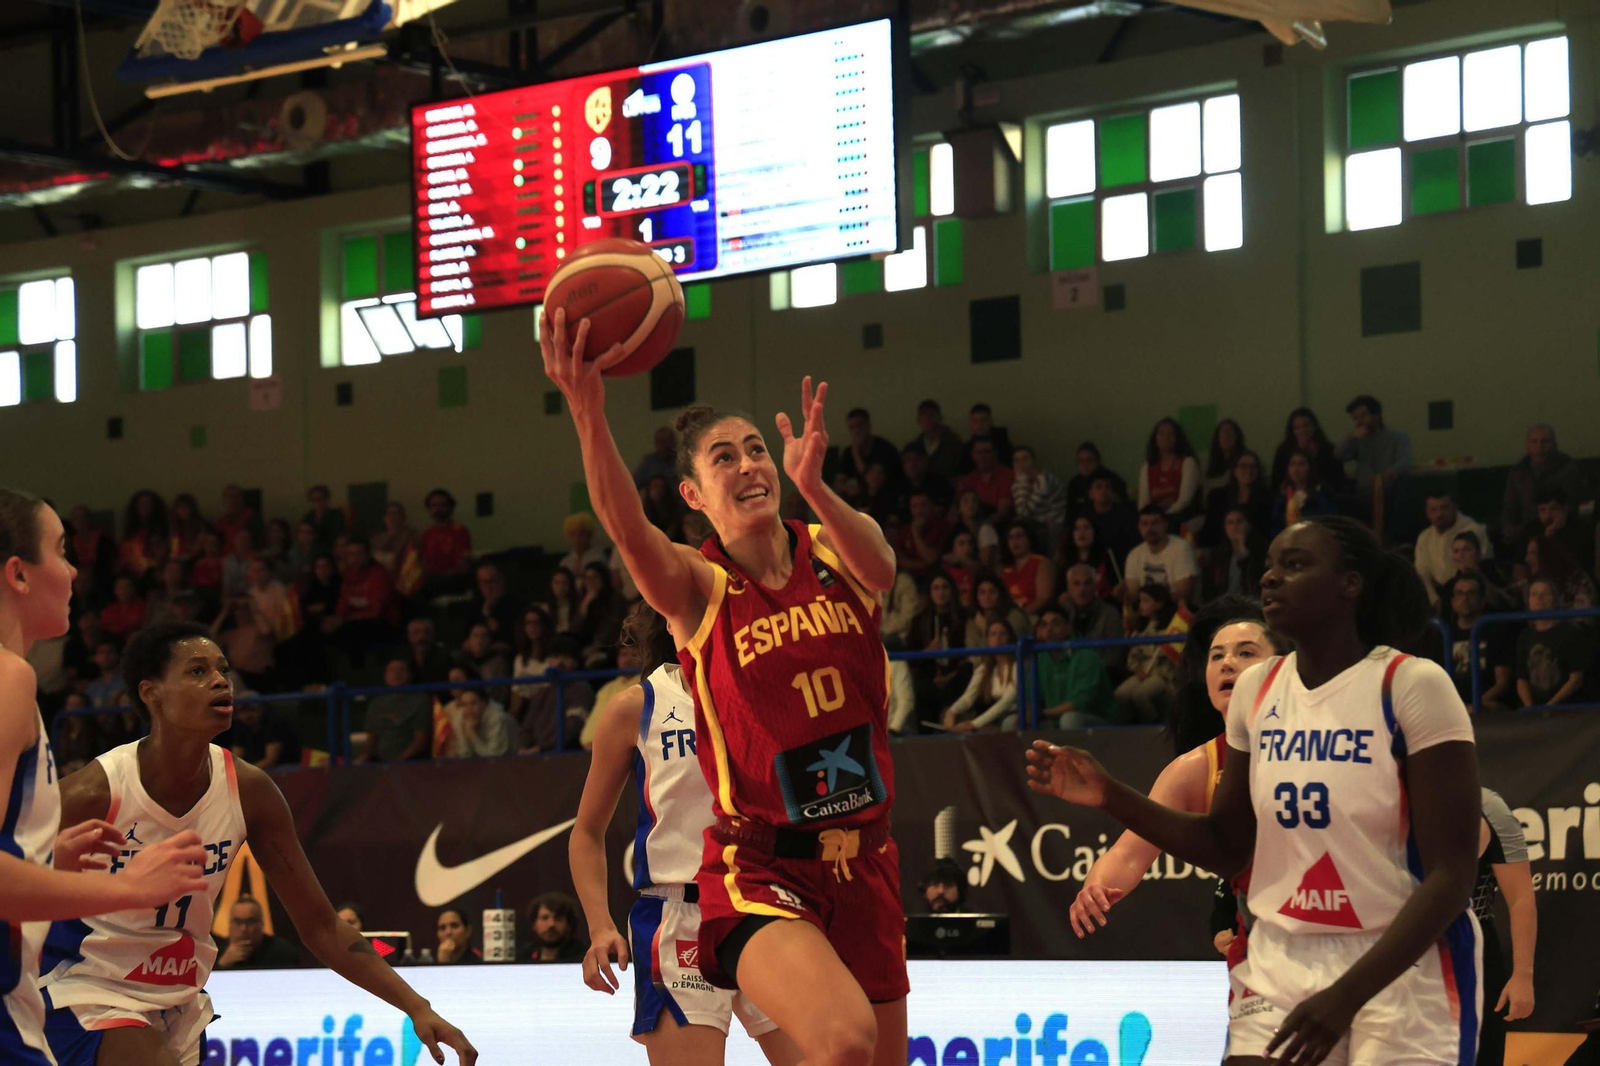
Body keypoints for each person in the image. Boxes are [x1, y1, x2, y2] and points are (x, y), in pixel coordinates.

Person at [542, 308, 908, 1066]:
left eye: (756, 451)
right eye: (724, 459)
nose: (748, 465)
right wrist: (586, 411)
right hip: (759, 870)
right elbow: (626, 529)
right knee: (843, 1041)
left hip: (864, 858)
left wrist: (815, 486)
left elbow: (884, 572)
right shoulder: (700, 587)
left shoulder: (832, 547)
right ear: (694, 495)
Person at [1027, 515, 1482, 1066]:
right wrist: (1108, 794)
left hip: (1404, 960)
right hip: (1281, 952)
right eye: (1268, 565)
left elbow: (1452, 877)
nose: (1269, 579)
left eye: (1293, 566)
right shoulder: (1257, 691)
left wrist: (1346, 995)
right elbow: (1226, 845)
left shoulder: (1411, 685)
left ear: (1350, 584)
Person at [40, 621, 476, 1066]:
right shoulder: (93, 791)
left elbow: (322, 926)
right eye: (196, 671)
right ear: (152, 693)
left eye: (222, 670)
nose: (219, 681)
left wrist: (416, 1006)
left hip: (179, 1000)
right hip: (88, 987)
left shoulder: (250, 792)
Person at [1, 490, 215, 1066]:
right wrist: (129, 888)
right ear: (18, 573)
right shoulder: (8, 680)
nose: (73, 571)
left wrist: (45, 868)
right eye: (61, 551)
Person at [570, 602, 799, 1065]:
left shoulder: (765, 692)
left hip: (762, 905)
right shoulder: (638, 705)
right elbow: (586, 832)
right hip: (679, 915)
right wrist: (599, 926)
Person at [1069, 600, 1285, 937]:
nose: (1228, 663)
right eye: (1217, 656)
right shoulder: (1196, 767)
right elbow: (1129, 853)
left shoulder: (1320, 739)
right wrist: (1095, 888)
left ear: (1283, 667)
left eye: (1245, 653)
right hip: (1257, 928)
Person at [1475, 788, 1536, 1066]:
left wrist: (1523, 975)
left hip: (1473, 946)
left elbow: (1521, 897)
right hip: (1401, 942)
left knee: (1481, 1052)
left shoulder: (1488, 806)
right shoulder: (1386, 798)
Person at [1501, 424, 1593, 552]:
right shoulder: (1518, 472)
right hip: (1527, 532)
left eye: (1544, 441)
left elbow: (1577, 502)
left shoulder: (1569, 469)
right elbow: (1510, 507)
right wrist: (1509, 528)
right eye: (1534, 441)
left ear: (1554, 444)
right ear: (1527, 445)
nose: (1539, 446)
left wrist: (1563, 522)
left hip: (1563, 531)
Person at [1114, 584, 1187, 724]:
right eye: (1140, 601)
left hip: (1163, 676)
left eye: (1146, 601)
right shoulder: (1142, 630)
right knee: (1120, 694)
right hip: (1143, 672)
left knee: (1140, 695)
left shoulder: (1173, 629)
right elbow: (1133, 657)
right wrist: (1138, 670)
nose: (1141, 605)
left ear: (1159, 604)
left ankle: (1151, 725)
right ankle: (1128, 725)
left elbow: (1176, 660)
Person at [1034, 606, 1115, 727]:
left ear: (1068, 628)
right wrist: (1031, 714)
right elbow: (1029, 698)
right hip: (1053, 718)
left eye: (1055, 624)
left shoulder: (1087, 656)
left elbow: (1079, 704)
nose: (1049, 629)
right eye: (1044, 625)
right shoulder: (1039, 659)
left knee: (1070, 719)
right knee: (1012, 722)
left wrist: (1043, 713)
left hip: (1096, 721)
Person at [1446, 573, 1516, 712]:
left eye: (1471, 593)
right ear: (1453, 601)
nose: (1465, 598)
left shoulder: (1496, 631)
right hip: (1454, 705)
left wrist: (1477, 704)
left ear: (1482, 600)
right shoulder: (1444, 633)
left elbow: (1502, 683)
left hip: (1488, 703)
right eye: (1459, 593)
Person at [515, 634, 593, 753]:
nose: (559, 662)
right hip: (536, 755)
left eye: (565, 657)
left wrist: (541, 748)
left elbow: (572, 727)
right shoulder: (544, 691)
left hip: (563, 756)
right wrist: (524, 747)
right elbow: (527, 725)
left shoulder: (581, 689)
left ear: (575, 661)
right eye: (555, 657)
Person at [1516, 578, 1586, 707]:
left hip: (1569, 707)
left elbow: (1576, 679)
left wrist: (1550, 706)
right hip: (1535, 708)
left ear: (1555, 599)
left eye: (1545, 594)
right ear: (1529, 601)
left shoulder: (1570, 633)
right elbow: (1522, 680)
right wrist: (1530, 708)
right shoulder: (1525, 636)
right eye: (1534, 594)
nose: (1539, 598)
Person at [1415, 493, 1491, 607]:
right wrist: (1434, 600)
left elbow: (1482, 566)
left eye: (1444, 507)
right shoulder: (1424, 537)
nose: (1439, 514)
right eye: (1433, 509)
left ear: (1454, 507)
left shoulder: (1474, 529)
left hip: (1473, 594)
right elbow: (1422, 573)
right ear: (1427, 512)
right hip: (1439, 597)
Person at [942, 618, 1019, 732]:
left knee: (1007, 724)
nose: (998, 638)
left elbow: (1006, 702)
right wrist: (952, 712)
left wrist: (974, 724)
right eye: (993, 634)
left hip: (1016, 714)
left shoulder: (1017, 666)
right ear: (988, 640)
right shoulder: (985, 668)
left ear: (1010, 638)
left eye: (1002, 634)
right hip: (995, 716)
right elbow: (968, 698)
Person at [1057, 563, 1126, 678]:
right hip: (1066, 674)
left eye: (1087, 583)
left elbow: (1116, 657)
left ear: (1095, 587)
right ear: (1068, 587)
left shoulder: (1109, 614)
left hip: (1101, 675)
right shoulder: (1061, 614)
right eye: (1076, 584)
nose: (1082, 589)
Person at [358, 658, 432, 763]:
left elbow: (420, 741)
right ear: (385, 675)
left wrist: (399, 761)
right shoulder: (377, 702)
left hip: (411, 763)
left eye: (401, 670)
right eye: (391, 670)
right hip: (380, 764)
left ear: (410, 674)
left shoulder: (421, 700)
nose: (396, 674)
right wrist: (360, 760)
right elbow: (372, 737)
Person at [1123, 506, 1198, 607]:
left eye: (1155, 523)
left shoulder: (1182, 548)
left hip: (1178, 612)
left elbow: (1185, 592)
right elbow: (1134, 593)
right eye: (1145, 524)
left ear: (1165, 525)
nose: (1149, 528)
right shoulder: (1134, 554)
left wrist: (1154, 604)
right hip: (1148, 613)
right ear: (1139, 527)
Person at [1200, 451, 1272, 554]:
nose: (1248, 470)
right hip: (1221, 549)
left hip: (1255, 550)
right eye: (1243, 466)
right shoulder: (1217, 496)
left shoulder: (1267, 497)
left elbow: (1265, 530)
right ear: (1234, 470)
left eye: (1253, 466)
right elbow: (1211, 529)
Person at [828, 408, 902, 505]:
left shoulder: (884, 448)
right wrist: (848, 487)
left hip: (885, 503)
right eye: (851, 428)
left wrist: (855, 452)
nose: (856, 431)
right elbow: (838, 484)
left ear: (868, 426)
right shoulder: (847, 452)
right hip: (857, 505)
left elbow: (873, 482)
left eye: (859, 426)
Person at [1270, 407, 1348, 499]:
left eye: (1306, 426)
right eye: (1297, 428)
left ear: (1314, 426)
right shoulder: (1283, 452)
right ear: (1292, 431)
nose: (1302, 431)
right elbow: (1276, 480)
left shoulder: (1327, 450)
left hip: (1323, 497)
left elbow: (1337, 480)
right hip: (1291, 498)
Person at [1137, 417, 1201, 520]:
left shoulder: (1187, 463)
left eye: (1170, 434)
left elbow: (1184, 501)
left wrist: (1165, 517)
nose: (1165, 437)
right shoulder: (1147, 467)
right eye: (1161, 434)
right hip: (1153, 519)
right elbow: (1143, 502)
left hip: (1179, 517)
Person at [213, 896, 301, 969]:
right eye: (238, 922)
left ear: (262, 924)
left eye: (250, 922)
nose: (244, 928)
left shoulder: (282, 953)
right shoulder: (215, 954)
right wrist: (222, 965)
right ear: (229, 924)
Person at [1055, 515, 1122, 603]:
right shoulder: (1065, 561)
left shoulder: (1107, 557)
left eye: (1086, 527)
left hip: (1104, 606)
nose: (1081, 532)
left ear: (1094, 532)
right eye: (1077, 528)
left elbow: (1116, 589)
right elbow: (1060, 592)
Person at [1271, 450, 1339, 536]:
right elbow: (1276, 525)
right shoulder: (1282, 496)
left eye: (1301, 464)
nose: (1296, 469)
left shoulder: (1322, 494)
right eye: (1292, 464)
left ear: (1309, 467)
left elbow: (1329, 522)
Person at [419, 489, 472, 597]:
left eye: (442, 505)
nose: (438, 509)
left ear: (450, 507)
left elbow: (463, 564)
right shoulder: (427, 534)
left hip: (453, 580)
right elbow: (424, 561)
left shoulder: (459, 531)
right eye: (434, 505)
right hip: (431, 579)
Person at [1010, 446, 1067, 545]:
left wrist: (1022, 483)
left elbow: (1023, 512)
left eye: (1025, 459)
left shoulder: (1045, 479)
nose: (1021, 464)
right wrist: (1022, 484)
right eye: (1016, 460)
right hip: (1036, 524)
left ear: (1033, 461)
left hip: (1055, 522)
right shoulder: (1017, 485)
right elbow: (1022, 512)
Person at [999, 522, 1056, 617]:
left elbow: (1044, 598)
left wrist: (1021, 616)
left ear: (1030, 538)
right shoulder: (1004, 568)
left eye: (1019, 536)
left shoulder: (1041, 563)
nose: (1015, 541)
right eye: (1011, 537)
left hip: (1033, 616)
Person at [438, 687, 514, 759]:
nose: (469, 709)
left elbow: (494, 757)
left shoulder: (498, 718)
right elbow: (464, 753)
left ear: (484, 704)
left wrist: (472, 735)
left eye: (473, 703)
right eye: (464, 704)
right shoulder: (460, 716)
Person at [228, 699, 302, 769]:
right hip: (257, 768)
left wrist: (244, 772)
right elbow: (236, 759)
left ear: (262, 709)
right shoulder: (240, 726)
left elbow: (270, 761)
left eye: (252, 709)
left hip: (287, 767)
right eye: (242, 710)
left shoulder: (274, 722)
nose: (248, 715)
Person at [966, 574, 1031, 650]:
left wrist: (984, 629)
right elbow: (972, 651)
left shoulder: (1014, 616)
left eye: (992, 592)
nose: (987, 597)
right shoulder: (973, 619)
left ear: (1000, 594)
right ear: (976, 596)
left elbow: (1010, 649)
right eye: (982, 592)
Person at [957, 439, 1015, 523]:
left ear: (995, 454)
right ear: (973, 455)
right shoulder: (966, 481)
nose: (983, 456)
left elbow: (1004, 511)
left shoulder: (1007, 475)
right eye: (979, 453)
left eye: (987, 452)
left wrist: (984, 527)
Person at [905, 399, 963, 481]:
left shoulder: (954, 443)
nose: (928, 418)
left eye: (932, 414)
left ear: (940, 417)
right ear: (918, 420)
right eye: (924, 414)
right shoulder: (916, 445)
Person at [1065, 443, 1127, 519]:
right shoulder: (1074, 484)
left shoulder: (1112, 480)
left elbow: (1124, 506)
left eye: (1089, 460)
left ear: (1097, 461)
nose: (1085, 464)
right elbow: (1070, 512)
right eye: (1081, 461)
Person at [524, 892, 587, 964]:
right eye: (545, 918)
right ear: (534, 924)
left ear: (569, 924)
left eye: (558, 919)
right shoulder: (523, 957)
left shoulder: (584, 956)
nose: (551, 924)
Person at [949, 489, 1000, 567]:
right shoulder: (958, 531)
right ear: (959, 508)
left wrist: (959, 559)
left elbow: (985, 566)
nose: (970, 504)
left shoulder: (986, 530)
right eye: (966, 501)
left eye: (974, 501)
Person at [1203, 419, 1248, 499]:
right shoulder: (1212, 466)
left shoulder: (1244, 462)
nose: (1226, 436)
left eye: (1230, 432)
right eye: (1222, 432)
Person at [963, 402, 1013, 471]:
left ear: (991, 421)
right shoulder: (967, 448)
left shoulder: (1002, 444)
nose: (979, 425)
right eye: (975, 421)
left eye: (983, 420)